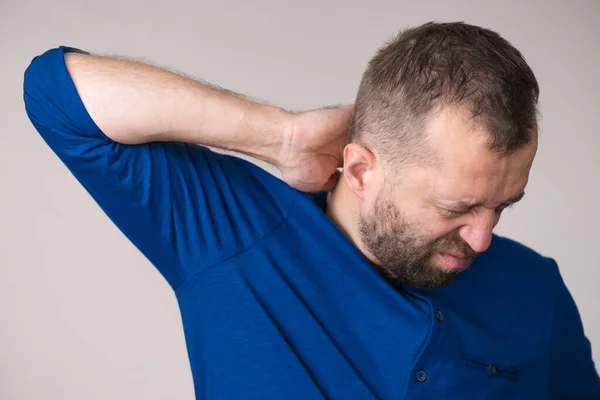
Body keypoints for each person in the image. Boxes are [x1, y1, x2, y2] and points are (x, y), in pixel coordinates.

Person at [23, 21, 599, 399]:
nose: (481, 240)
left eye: (504, 205)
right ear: (362, 169)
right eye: (459, 207)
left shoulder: (536, 288)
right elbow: (57, 94)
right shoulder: (234, 237)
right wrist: (281, 135)